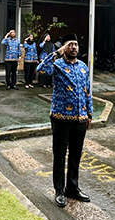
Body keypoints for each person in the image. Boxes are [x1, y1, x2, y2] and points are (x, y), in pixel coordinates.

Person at [36, 33, 92, 207]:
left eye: (76, 44)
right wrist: (56, 53)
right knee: (59, 156)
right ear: (64, 47)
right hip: (61, 119)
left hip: (80, 118)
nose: (74, 47)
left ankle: (72, 188)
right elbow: (40, 69)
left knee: (75, 156)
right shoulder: (57, 64)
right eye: (70, 44)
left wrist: (89, 114)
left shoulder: (83, 67)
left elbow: (87, 91)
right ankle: (59, 190)